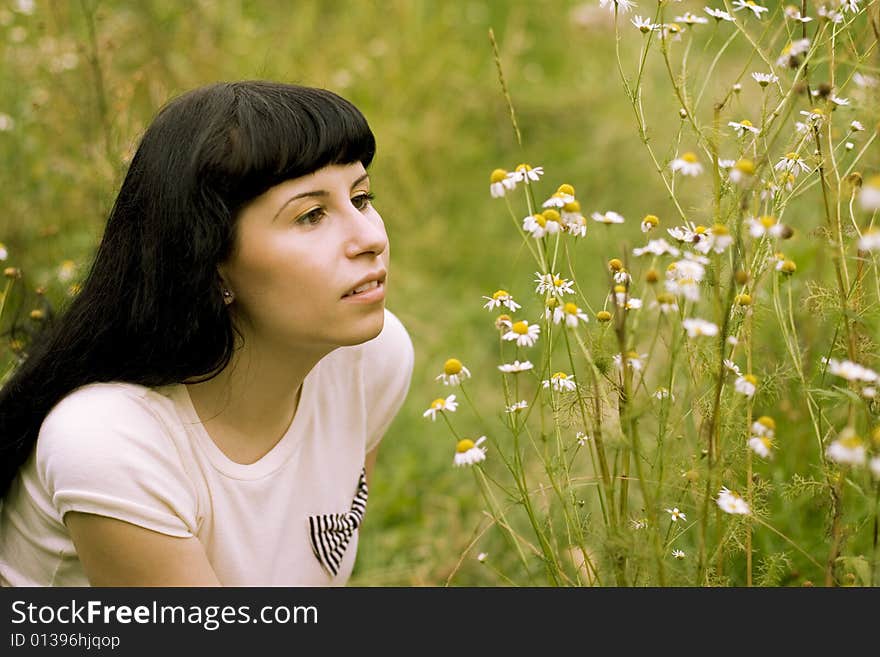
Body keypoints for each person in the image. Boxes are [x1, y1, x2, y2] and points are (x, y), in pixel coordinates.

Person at [0, 81, 414, 586]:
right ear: (211, 262)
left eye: (361, 198)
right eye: (311, 215)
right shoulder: (112, 440)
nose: (370, 238)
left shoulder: (370, 360)